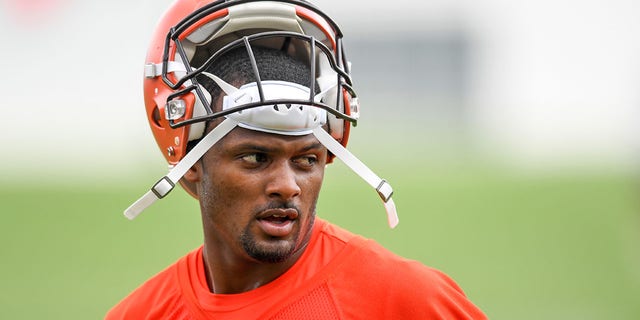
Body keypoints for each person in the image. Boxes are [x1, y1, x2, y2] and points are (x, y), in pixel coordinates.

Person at [106, 0, 487, 318]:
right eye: (255, 157)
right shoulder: (139, 314)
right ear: (190, 167)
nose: (287, 186)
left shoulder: (404, 300)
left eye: (306, 159)